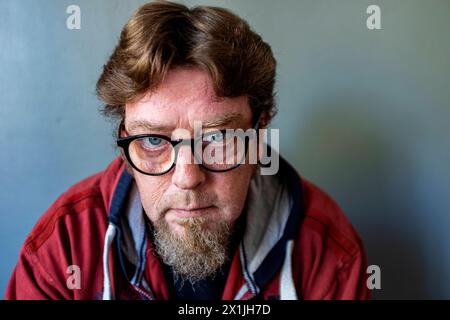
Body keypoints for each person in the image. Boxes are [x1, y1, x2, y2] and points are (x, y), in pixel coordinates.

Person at [5, 1, 369, 300]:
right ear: (124, 142)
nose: (188, 178)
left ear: (259, 135)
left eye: (217, 138)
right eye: (152, 141)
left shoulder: (327, 254)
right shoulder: (62, 248)